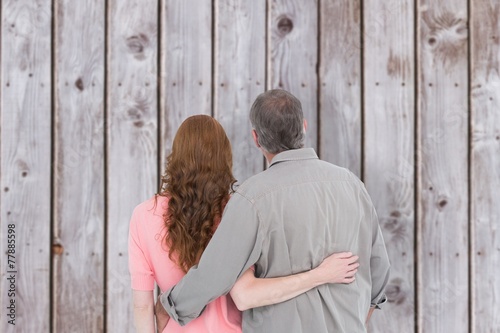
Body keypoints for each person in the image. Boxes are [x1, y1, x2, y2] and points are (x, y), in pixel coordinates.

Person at [158, 90, 391, 332]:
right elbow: (379, 272)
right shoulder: (352, 185)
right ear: (303, 126)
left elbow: (212, 275)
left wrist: (170, 305)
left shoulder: (251, 198)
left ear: (256, 138)